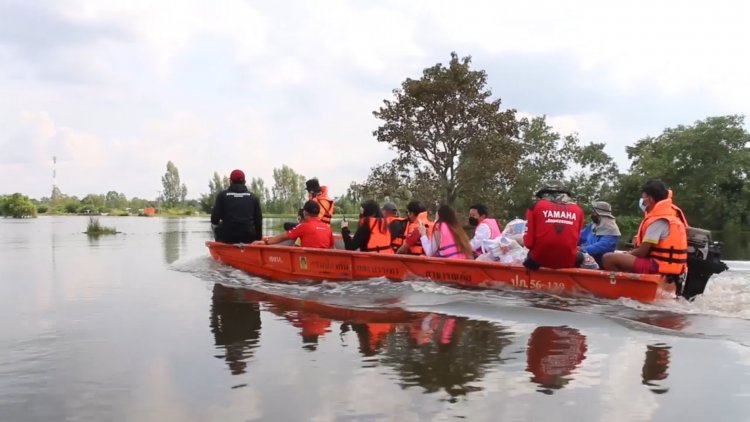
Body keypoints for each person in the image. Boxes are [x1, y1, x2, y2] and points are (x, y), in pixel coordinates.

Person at [602, 180, 688, 275]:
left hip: (657, 265)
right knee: (622, 257)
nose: (642, 200)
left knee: (608, 258)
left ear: (650, 199)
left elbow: (642, 252)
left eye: (643, 197)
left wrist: (628, 254)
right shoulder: (672, 216)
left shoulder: (658, 220)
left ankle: (622, 287)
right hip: (667, 265)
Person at [523, 180, 585, 269]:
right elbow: (575, 241)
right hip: (567, 261)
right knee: (581, 257)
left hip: (539, 259)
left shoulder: (535, 206)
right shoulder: (578, 210)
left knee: (529, 256)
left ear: (544, 193)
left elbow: (529, 243)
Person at [211, 169, 263, 243]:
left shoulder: (222, 196)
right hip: (249, 238)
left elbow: (214, 220)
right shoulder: (254, 197)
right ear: (244, 182)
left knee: (215, 225)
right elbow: (258, 221)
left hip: (227, 238)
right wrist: (258, 239)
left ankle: (220, 244)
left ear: (230, 181)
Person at [253, 200, 333, 248]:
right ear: (318, 213)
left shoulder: (304, 226)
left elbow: (285, 236)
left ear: (305, 212)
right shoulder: (328, 228)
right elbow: (332, 247)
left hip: (309, 262)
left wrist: (266, 242)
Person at [579, 201, 621, 267]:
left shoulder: (611, 230)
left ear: (599, 213)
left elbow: (601, 247)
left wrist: (581, 249)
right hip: (587, 258)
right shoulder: (593, 226)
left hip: (600, 263)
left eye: (594, 211)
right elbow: (580, 237)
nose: (592, 213)